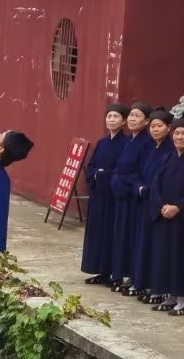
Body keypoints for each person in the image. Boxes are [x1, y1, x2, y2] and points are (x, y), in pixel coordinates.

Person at [146, 114, 184, 314]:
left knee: (180, 257)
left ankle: (182, 300)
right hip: (163, 215)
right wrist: (161, 205)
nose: (179, 137)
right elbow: (155, 184)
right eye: (176, 133)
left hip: (181, 218)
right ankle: (168, 294)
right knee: (163, 256)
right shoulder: (166, 158)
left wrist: (178, 206)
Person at [81, 102, 130, 285]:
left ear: (124, 121)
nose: (111, 120)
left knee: (112, 233)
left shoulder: (126, 143)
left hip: (113, 195)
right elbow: (92, 165)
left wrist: (104, 175)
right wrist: (96, 174)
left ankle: (115, 273)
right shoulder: (102, 142)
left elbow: (123, 169)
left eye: (115, 116)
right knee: (98, 233)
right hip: (98, 195)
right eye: (109, 116)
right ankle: (101, 270)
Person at [108, 101, 151, 292]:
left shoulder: (146, 143)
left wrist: (124, 183)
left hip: (134, 197)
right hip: (122, 195)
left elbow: (142, 172)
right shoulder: (131, 141)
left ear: (147, 121)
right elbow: (120, 167)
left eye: (137, 116)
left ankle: (135, 276)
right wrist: (116, 180)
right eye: (131, 115)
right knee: (122, 236)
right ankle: (121, 273)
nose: (133, 119)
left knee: (133, 237)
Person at [132, 109, 174, 303]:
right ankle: (142, 281)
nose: (155, 130)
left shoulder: (170, 150)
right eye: (153, 127)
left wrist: (153, 195)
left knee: (157, 248)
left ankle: (158, 287)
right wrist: (140, 187)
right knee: (143, 243)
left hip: (159, 204)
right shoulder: (149, 148)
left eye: (159, 126)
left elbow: (163, 180)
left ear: (169, 128)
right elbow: (138, 171)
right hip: (144, 201)